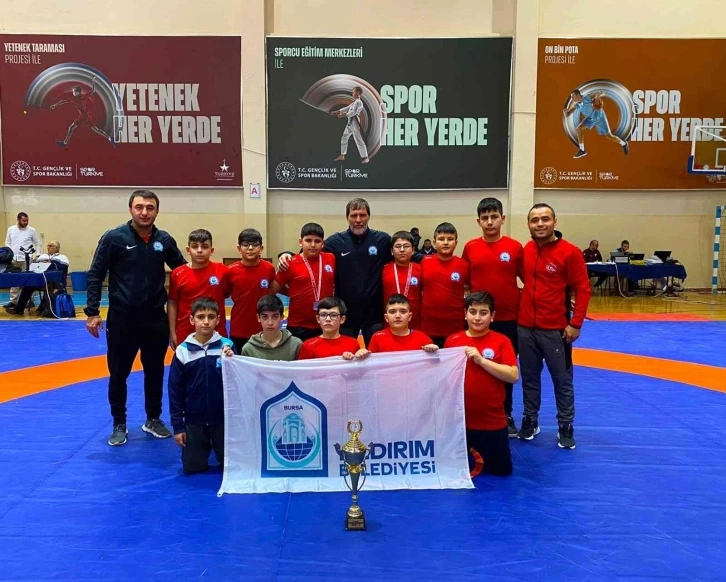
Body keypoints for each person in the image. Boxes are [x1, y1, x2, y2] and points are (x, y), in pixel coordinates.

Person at [84, 190, 186, 447]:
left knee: (155, 371)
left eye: (150, 207)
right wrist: (92, 312)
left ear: (157, 211)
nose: (144, 212)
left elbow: (184, 272)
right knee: (119, 373)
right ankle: (119, 423)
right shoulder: (114, 238)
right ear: (130, 209)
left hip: (155, 318)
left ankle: (153, 418)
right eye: (139, 207)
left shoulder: (164, 240)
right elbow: (95, 274)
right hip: (122, 319)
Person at [279, 199, 405, 346]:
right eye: (354, 215)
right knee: (345, 354)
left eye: (362, 215)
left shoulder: (382, 240)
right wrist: (286, 254)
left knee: (375, 354)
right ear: (347, 217)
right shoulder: (335, 242)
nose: (358, 220)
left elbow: (404, 253)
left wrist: (426, 257)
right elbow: (310, 252)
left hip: (374, 314)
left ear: (369, 217)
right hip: (344, 315)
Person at [517, 203, 592, 450]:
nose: (540, 224)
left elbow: (583, 289)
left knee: (562, 380)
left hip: (556, 330)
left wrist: (575, 323)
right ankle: (530, 419)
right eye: (535, 220)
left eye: (545, 219)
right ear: (528, 224)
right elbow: (528, 281)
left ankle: (565, 425)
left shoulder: (570, 252)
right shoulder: (527, 250)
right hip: (526, 328)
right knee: (529, 378)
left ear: (554, 222)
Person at [462, 198, 523, 437]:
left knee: (504, 367)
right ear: (478, 221)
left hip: (508, 318)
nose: (490, 222)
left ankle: (505, 413)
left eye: (494, 217)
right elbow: (464, 282)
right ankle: (471, 413)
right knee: (474, 367)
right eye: (485, 218)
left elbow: (529, 280)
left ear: (502, 219)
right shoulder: (470, 247)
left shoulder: (515, 247)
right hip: (477, 319)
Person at [444, 292, 518, 476]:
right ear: (465, 314)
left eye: (483, 313)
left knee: (502, 471)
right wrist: (431, 354)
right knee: (451, 470)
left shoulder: (502, 341)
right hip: (460, 421)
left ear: (492, 316)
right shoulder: (453, 341)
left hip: (491, 421)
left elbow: (513, 376)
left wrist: (482, 361)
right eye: (473, 312)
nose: (477, 318)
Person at [167, 298, 235, 475]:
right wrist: (178, 427)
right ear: (192, 320)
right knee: (192, 468)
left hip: (222, 419)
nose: (206, 321)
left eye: (211, 317)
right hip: (194, 419)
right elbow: (175, 390)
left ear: (218, 320)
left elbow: (238, 383)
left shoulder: (227, 347)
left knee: (232, 467)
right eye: (201, 317)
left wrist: (232, 361)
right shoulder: (182, 351)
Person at [271, 223, 335, 342]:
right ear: (300, 242)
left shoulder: (331, 258)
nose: (313, 245)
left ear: (323, 243)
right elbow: (272, 289)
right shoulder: (290, 263)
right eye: (308, 240)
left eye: (317, 241)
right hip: (298, 325)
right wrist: (290, 292)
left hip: (325, 323)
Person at [167, 229, 228, 349]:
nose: (199, 250)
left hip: (216, 333)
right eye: (195, 246)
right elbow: (172, 303)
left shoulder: (223, 271)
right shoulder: (177, 274)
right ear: (188, 250)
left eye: (204, 246)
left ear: (212, 250)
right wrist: (172, 332)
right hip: (185, 333)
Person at [223, 228, 276, 354]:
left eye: (255, 245)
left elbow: (273, 290)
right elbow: (224, 293)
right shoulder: (230, 271)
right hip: (239, 329)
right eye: (246, 245)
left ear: (261, 248)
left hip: (263, 328)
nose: (250, 248)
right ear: (239, 248)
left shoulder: (269, 268)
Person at [420, 222, 470, 348]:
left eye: (450, 239)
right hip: (428, 326)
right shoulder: (424, 262)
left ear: (456, 243)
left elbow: (472, 289)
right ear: (434, 242)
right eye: (441, 239)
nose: (446, 242)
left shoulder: (463, 265)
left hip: (455, 326)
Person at [5, 240, 70, 316]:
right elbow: (34, 267)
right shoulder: (42, 256)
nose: (48, 247)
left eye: (50, 246)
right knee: (27, 287)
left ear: (57, 248)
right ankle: (19, 309)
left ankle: (40, 309)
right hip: (38, 280)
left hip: (53, 282)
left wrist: (50, 264)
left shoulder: (62, 257)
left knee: (49, 287)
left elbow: (63, 268)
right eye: (48, 246)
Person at [297, 296, 368, 360]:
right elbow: (302, 369)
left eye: (333, 315)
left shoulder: (353, 343)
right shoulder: (308, 345)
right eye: (323, 315)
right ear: (318, 319)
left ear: (342, 319)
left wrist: (360, 356)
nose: (328, 319)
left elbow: (357, 369)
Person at [564, 89, 629, 159]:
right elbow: (567, 115)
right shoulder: (576, 105)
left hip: (599, 117)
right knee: (579, 129)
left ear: (578, 95)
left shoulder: (588, 96)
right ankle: (582, 150)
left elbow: (603, 93)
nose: (572, 99)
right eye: (572, 97)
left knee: (609, 135)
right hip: (590, 119)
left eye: (573, 97)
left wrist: (598, 95)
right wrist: (565, 112)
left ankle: (624, 143)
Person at [50, 79, 115, 148]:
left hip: (83, 116)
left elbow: (63, 101)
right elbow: (93, 91)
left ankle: (64, 143)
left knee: (71, 127)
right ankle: (110, 138)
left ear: (77, 92)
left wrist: (55, 105)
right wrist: (93, 82)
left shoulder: (74, 99)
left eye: (73, 92)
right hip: (88, 115)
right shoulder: (84, 96)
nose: (73, 93)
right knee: (96, 129)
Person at [367, 294, 439, 353]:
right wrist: (363, 355)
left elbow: (435, 365)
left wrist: (434, 353)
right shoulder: (377, 338)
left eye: (403, 311)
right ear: (386, 317)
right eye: (392, 312)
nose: (398, 316)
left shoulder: (423, 339)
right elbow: (370, 364)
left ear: (410, 316)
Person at [382, 231, 423, 330]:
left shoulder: (420, 269)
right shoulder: (384, 269)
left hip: (415, 322)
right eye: (398, 246)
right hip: (390, 322)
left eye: (406, 246)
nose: (402, 250)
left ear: (413, 250)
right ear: (392, 251)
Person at [241, 295, 302, 361]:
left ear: (282, 317)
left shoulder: (296, 345)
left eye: (275, 317)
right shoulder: (249, 349)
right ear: (258, 318)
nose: (270, 323)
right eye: (265, 317)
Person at [4, 212, 42, 309]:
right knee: (14, 280)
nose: (26, 222)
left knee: (28, 280)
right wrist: (9, 253)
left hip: (27, 259)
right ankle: (13, 301)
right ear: (18, 220)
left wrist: (37, 254)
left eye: (27, 220)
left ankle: (30, 300)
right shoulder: (11, 229)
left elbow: (38, 243)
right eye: (24, 220)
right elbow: (7, 242)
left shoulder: (31, 230)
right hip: (14, 258)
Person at [332, 86, 369, 164]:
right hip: (350, 123)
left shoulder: (359, 102)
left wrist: (344, 115)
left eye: (354, 92)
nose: (352, 93)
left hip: (355, 123)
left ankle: (366, 157)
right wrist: (338, 111)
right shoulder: (354, 102)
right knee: (344, 137)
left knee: (358, 140)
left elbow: (354, 112)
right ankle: (342, 155)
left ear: (358, 92)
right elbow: (347, 108)